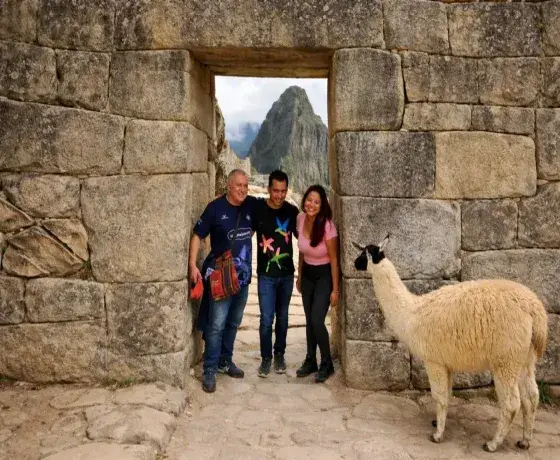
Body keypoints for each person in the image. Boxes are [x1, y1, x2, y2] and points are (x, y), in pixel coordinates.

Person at [189, 169, 256, 393]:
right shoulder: (215, 209)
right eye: (238, 185)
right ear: (228, 185)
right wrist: (192, 265)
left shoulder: (250, 207)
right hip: (221, 279)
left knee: (233, 323)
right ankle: (209, 368)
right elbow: (198, 235)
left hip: (243, 280)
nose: (243, 190)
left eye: (246, 186)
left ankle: (224, 361)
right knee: (216, 325)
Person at [251, 170, 299, 377]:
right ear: (269, 189)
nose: (279, 195)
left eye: (283, 191)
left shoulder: (292, 211)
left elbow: (304, 239)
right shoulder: (258, 209)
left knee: (283, 317)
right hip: (266, 275)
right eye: (275, 190)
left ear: (287, 190)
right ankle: (266, 358)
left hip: (287, 274)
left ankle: (279, 354)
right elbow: (247, 232)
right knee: (266, 318)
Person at [295, 184, 340, 383]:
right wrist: (299, 274)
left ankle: (327, 362)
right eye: (309, 200)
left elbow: (334, 259)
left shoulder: (328, 227)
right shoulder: (300, 219)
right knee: (309, 319)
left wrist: (335, 289)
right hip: (308, 275)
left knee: (316, 319)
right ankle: (310, 359)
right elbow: (302, 250)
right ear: (304, 200)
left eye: (316, 202)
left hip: (324, 276)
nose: (311, 204)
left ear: (322, 206)